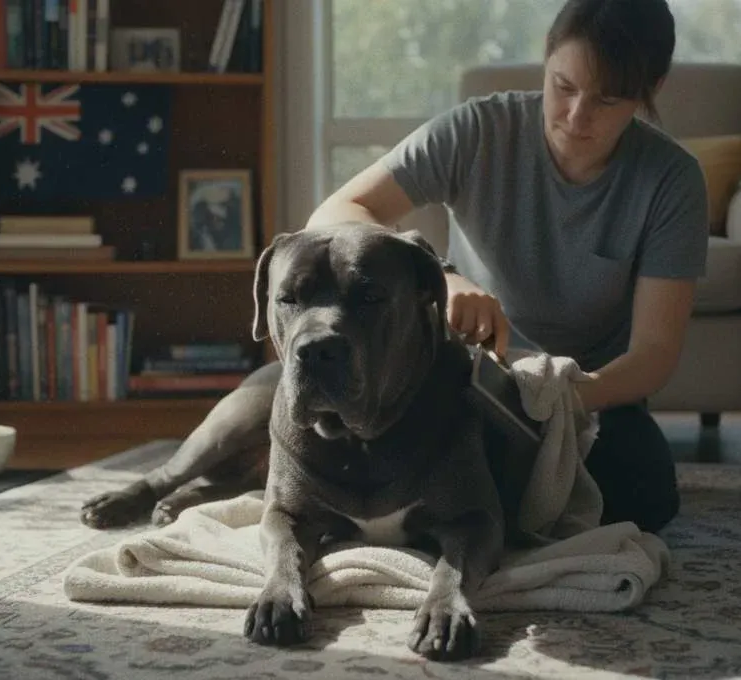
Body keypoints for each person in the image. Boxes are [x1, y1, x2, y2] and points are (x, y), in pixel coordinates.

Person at [303, 0, 708, 533]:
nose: (576, 116)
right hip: (465, 381)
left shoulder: (671, 181)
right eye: (563, 86)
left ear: (649, 90)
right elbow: (333, 215)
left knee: (647, 493)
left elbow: (653, 355)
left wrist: (556, 401)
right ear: (546, 61)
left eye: (606, 100)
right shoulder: (479, 131)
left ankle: (461, 502)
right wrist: (439, 275)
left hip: (583, 399)